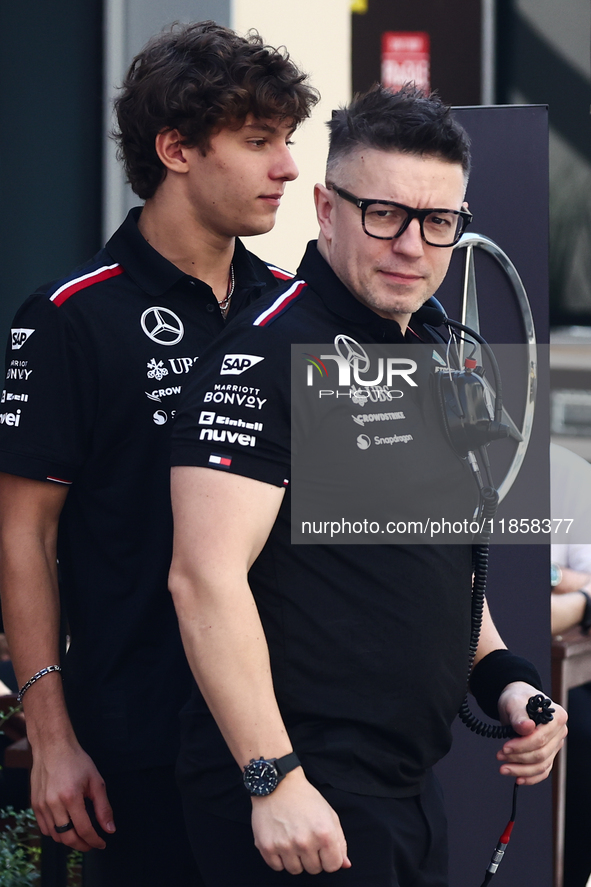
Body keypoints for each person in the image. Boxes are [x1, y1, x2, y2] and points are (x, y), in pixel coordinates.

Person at [169, 85, 567, 886]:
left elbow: (439, 566)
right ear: (324, 207)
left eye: (437, 222)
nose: (411, 245)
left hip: (407, 793)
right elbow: (203, 580)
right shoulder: (266, 352)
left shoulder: (433, 349)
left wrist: (504, 678)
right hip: (300, 794)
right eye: (382, 213)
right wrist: (272, 779)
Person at [0, 20, 317, 886]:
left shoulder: (294, 314)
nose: (287, 166)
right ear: (175, 148)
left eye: (286, 142)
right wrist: (53, 736)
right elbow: (21, 537)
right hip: (137, 745)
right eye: (258, 142)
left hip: (293, 739)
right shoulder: (68, 316)